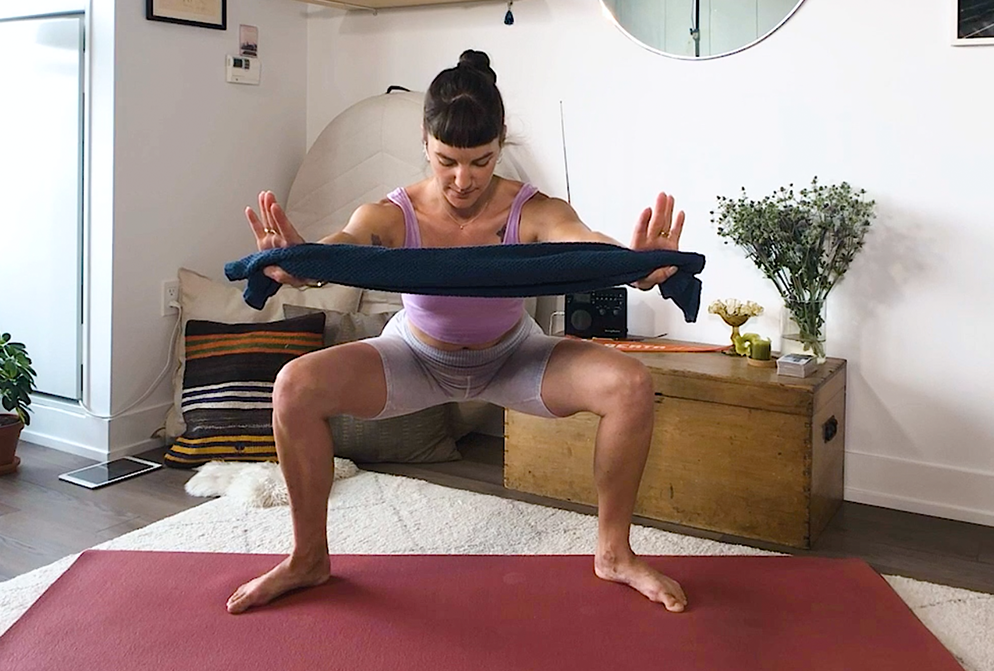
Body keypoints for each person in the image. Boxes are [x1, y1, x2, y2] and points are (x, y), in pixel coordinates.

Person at [229, 50, 689, 615]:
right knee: (294, 386)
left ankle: (614, 554)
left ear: (500, 145)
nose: (463, 180)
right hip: (415, 357)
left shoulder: (533, 209)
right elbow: (341, 247)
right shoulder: (392, 214)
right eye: (447, 160)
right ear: (425, 142)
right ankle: (307, 558)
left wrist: (635, 266)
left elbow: (585, 244)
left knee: (630, 385)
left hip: (513, 357)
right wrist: (297, 262)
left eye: (481, 161)